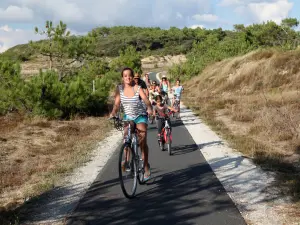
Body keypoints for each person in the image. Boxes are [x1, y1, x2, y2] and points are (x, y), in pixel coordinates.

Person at [110, 67, 153, 181]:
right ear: (122, 78)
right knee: (126, 138)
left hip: (140, 116)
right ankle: (127, 160)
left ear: (132, 76)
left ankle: (146, 166)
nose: (127, 77)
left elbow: (146, 100)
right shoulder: (120, 89)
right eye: (125, 76)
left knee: (142, 141)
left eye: (129, 75)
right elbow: (116, 104)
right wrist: (113, 113)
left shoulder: (137, 88)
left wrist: (149, 107)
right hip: (128, 117)